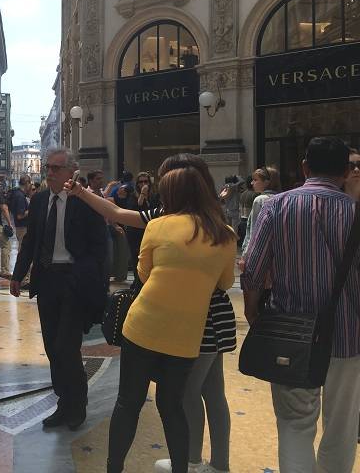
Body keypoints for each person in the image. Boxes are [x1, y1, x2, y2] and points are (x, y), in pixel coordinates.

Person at [67, 155, 237, 473]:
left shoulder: (159, 223)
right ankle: (196, 465)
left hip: (152, 325)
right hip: (194, 328)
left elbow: (144, 273)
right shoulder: (223, 231)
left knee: (133, 401)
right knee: (185, 402)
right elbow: (225, 282)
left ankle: (120, 466)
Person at [242, 137, 360, 473]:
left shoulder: (277, 206)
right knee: (342, 426)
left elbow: (252, 268)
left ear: (305, 166)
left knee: (295, 424)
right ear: (346, 170)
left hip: (290, 333)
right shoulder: (355, 211)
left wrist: (252, 312)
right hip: (350, 335)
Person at [11, 147, 108, 431]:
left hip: (75, 281)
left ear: (71, 172)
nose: (49, 173)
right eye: (47, 168)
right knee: (53, 347)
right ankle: (64, 402)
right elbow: (31, 241)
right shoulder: (40, 200)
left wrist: (91, 280)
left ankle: (77, 406)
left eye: (55, 168)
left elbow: (100, 248)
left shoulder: (86, 201)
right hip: (47, 280)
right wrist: (19, 274)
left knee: (67, 346)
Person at [239, 166, 281, 257]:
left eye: (255, 180)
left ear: (266, 182)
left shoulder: (260, 200)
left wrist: (246, 255)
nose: (252, 182)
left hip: (259, 253)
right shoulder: (282, 198)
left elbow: (254, 230)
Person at [9, 174, 30, 245]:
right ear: (27, 183)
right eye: (29, 183)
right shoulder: (20, 196)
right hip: (22, 228)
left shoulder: (17, 193)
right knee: (22, 249)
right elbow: (20, 216)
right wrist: (31, 210)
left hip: (19, 227)